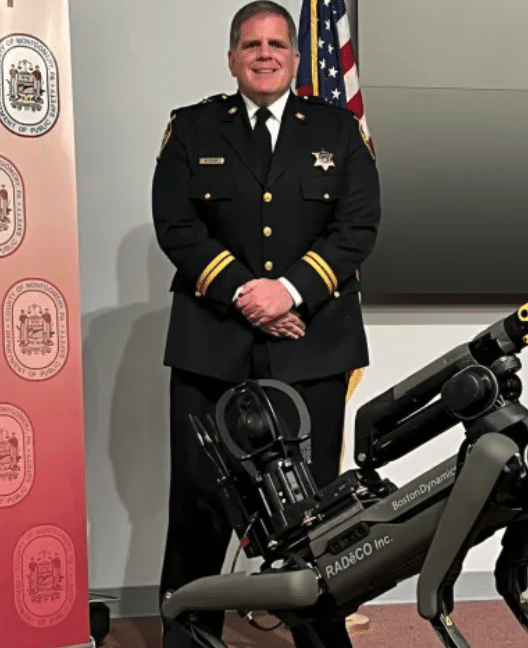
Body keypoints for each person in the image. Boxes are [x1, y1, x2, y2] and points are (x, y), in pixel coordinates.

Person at [150, 2, 381, 647]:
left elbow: (357, 228)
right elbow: (177, 225)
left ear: (295, 56)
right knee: (200, 500)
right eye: (250, 43)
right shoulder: (192, 129)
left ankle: (320, 638)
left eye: (277, 42)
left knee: (318, 505)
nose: (264, 52)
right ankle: (191, 637)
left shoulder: (338, 130)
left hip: (313, 342)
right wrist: (246, 294)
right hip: (211, 342)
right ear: (231, 58)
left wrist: (287, 291)